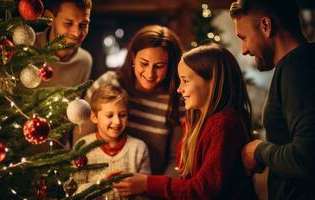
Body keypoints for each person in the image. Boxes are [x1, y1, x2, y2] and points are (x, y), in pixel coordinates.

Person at [109, 44, 258, 200]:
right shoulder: (198, 120)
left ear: (211, 82)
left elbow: (203, 190)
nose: (179, 89)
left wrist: (147, 183)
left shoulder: (225, 124)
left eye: (185, 81)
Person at [230, 0, 315, 199]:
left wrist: (258, 151)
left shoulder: (298, 70)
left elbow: (309, 158)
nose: (244, 49)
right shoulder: (308, 63)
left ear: (266, 26)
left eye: (244, 37)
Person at [77, 25, 184, 175]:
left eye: (159, 66)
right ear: (133, 57)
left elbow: (176, 160)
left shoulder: (176, 99)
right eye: (144, 64)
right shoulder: (108, 84)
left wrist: (154, 189)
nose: (150, 73)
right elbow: (81, 142)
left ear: (170, 64)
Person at [73, 84, 151, 199]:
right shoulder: (83, 147)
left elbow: (146, 192)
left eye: (122, 115)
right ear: (94, 117)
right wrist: (99, 185)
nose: (117, 121)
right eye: (109, 115)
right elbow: (75, 192)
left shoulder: (139, 148)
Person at [35, 0, 93, 87]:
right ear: (49, 18)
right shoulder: (26, 48)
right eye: (69, 23)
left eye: (83, 24)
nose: (76, 33)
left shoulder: (84, 62)